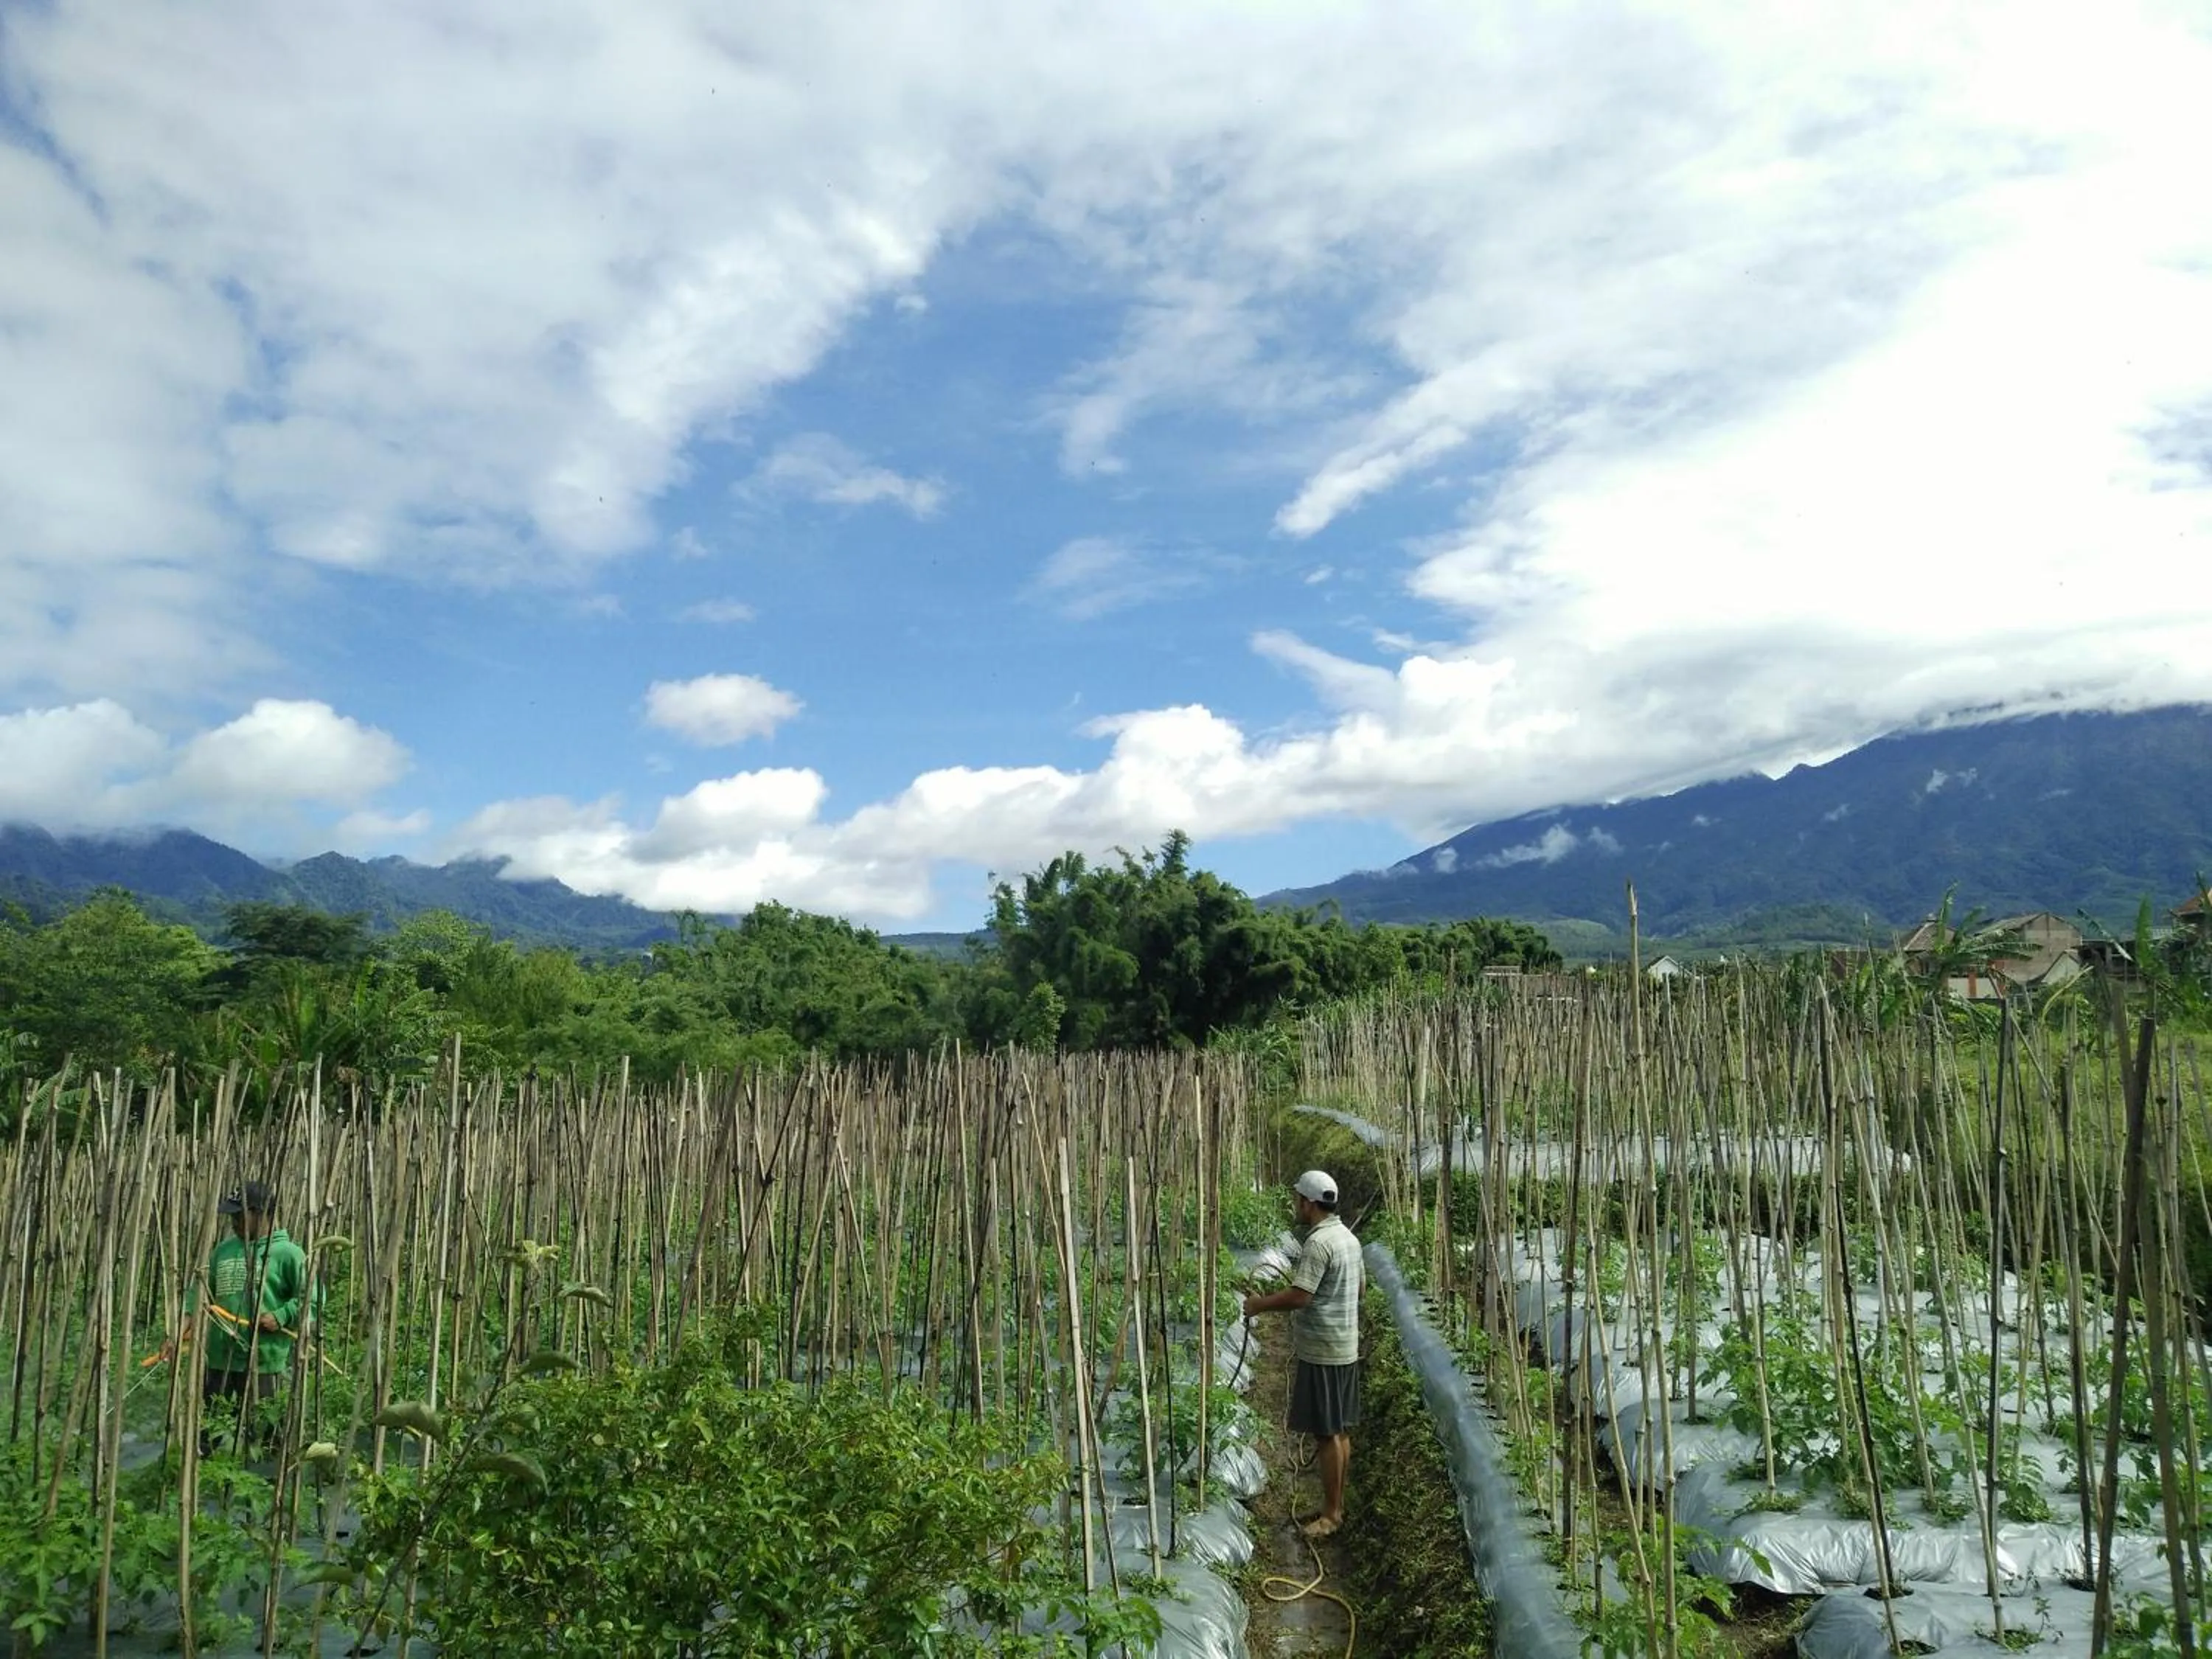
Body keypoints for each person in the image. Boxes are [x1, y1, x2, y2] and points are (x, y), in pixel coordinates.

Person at [1241, 1169, 1363, 1538]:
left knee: (1326, 1433)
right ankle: (1336, 1506)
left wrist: (1259, 1305)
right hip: (1345, 1345)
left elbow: (1301, 1296)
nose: (1296, 1206)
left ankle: (1330, 1515)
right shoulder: (1348, 1239)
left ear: (1308, 1203)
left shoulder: (1318, 1243)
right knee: (1339, 1431)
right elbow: (1358, 1291)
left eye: (1298, 1200)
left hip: (1323, 1350)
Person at [154, 1181, 315, 1458]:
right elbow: (199, 1295)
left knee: (264, 1437)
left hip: (263, 1363)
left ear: (261, 1213)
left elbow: (312, 1299)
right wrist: (177, 1332)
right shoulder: (223, 1251)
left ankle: (264, 1486)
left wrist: (280, 1316)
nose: (233, 1223)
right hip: (218, 1360)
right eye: (231, 1217)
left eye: (239, 1215)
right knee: (211, 1435)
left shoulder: (288, 1253)